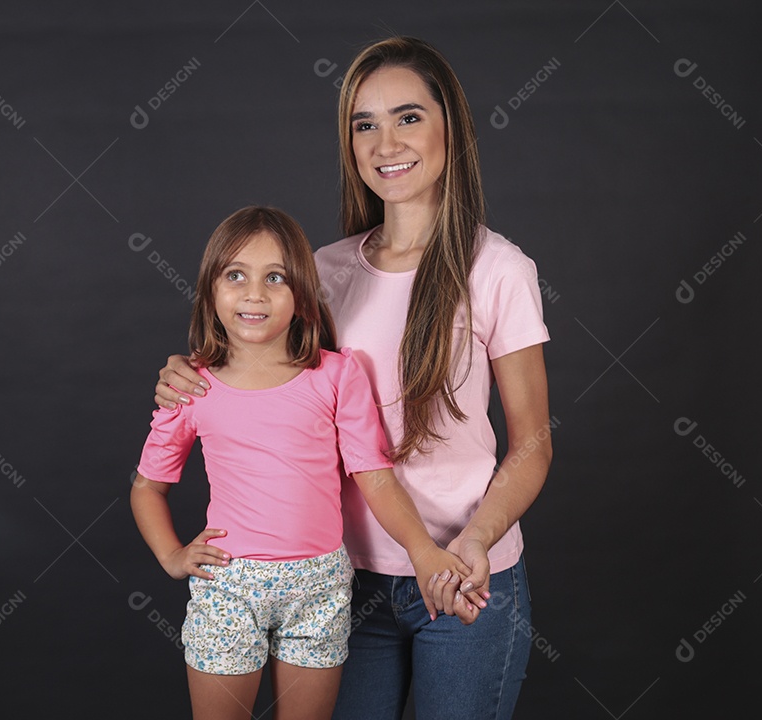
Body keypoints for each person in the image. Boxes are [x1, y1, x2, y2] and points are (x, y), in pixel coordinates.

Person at [154, 37, 552, 720]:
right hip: (340, 583)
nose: (385, 141)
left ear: (449, 127)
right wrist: (188, 375)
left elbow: (533, 443)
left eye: (407, 117)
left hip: (461, 581)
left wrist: (473, 542)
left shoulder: (499, 270)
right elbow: (256, 371)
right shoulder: (324, 271)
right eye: (363, 123)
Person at [131, 205, 480, 720]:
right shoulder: (193, 387)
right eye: (235, 276)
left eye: (275, 277)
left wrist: (424, 552)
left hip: (319, 586)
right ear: (209, 290)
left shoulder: (336, 375)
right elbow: (146, 487)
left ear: (301, 296)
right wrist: (171, 556)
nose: (254, 294)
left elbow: (374, 479)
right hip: (228, 586)